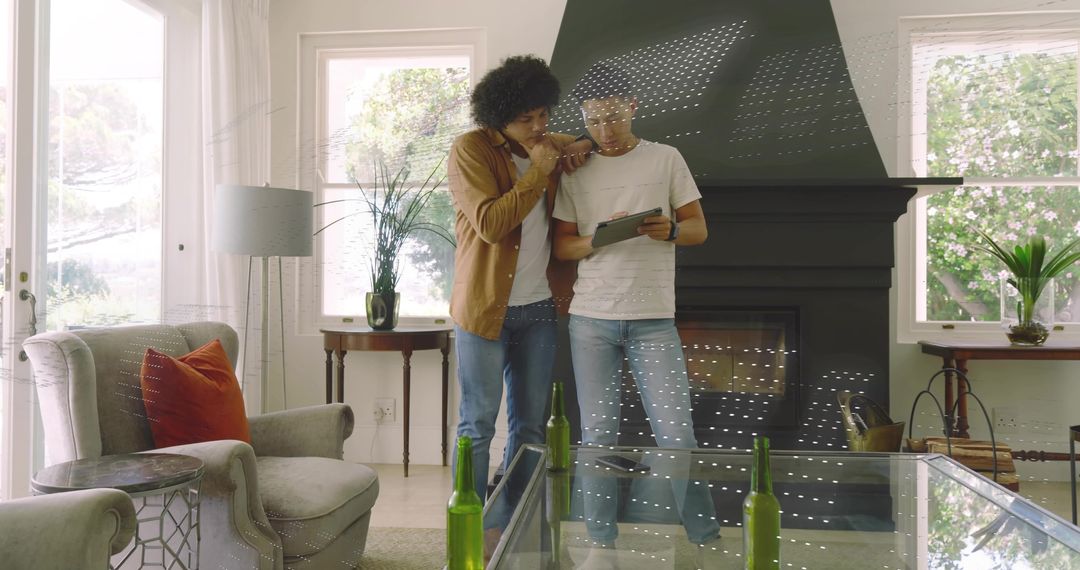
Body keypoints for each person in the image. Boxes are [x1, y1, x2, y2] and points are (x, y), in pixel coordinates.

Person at [553, 62, 721, 565]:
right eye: (594, 120)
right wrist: (604, 235)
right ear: (584, 117)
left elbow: (698, 230)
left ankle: (705, 538)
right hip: (591, 320)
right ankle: (599, 544)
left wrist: (665, 230)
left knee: (676, 434)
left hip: (653, 319)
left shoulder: (666, 159)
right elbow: (563, 248)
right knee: (598, 435)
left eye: (613, 117)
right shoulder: (577, 169)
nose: (605, 129)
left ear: (632, 108)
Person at [448, 54, 592, 508]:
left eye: (544, 115)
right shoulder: (471, 150)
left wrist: (584, 146)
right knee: (478, 422)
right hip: (483, 310)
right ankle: (468, 517)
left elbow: (590, 142)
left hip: (541, 311)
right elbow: (491, 224)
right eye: (525, 119)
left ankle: (513, 519)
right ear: (498, 118)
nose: (537, 127)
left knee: (530, 426)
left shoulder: (547, 144)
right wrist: (539, 174)